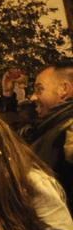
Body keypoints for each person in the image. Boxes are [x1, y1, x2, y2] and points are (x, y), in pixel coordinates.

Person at [25, 62, 73, 205]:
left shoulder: (68, 129)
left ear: (64, 89)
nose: (33, 97)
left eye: (39, 90)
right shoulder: (47, 127)